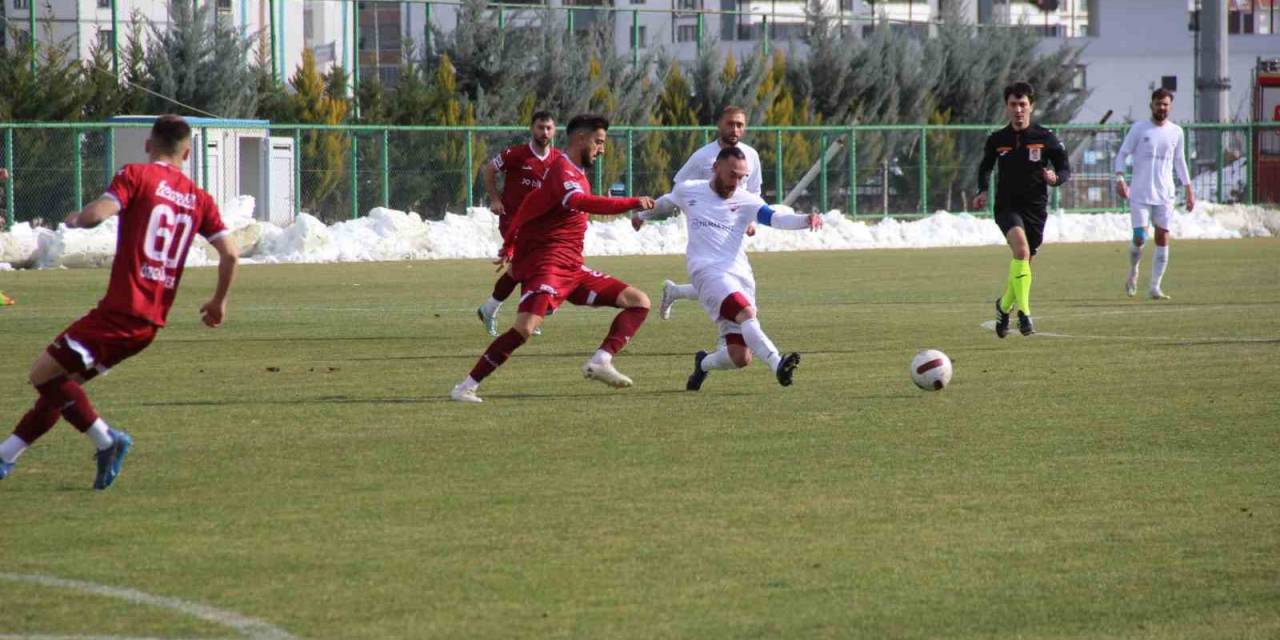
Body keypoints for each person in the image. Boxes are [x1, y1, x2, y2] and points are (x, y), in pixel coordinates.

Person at [0, 115, 239, 489]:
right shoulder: (199, 199)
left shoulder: (137, 176)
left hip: (120, 312)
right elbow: (230, 254)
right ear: (188, 152)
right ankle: (5, 456)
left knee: (41, 375)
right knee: (61, 389)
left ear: (149, 145)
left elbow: (98, 215)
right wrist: (218, 302)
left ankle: (107, 441)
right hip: (149, 324)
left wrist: (79, 217)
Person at [450, 114, 656, 403]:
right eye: (598, 142)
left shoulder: (573, 171)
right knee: (524, 328)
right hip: (549, 267)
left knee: (639, 302)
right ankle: (465, 386)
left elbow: (530, 205)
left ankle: (600, 361)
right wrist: (631, 202)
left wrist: (511, 242)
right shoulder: (563, 171)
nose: (602, 149)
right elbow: (580, 202)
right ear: (580, 139)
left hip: (573, 269)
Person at [635, 147, 819, 391]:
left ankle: (703, 364)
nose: (737, 182)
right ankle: (777, 363)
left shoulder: (746, 199)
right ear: (716, 168)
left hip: (739, 274)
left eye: (742, 176)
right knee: (745, 313)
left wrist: (805, 220)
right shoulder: (690, 190)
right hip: (706, 271)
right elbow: (665, 203)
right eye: (733, 174)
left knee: (739, 357)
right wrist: (641, 215)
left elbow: (775, 218)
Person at [972, 82, 1071, 338]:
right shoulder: (997, 139)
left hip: (1035, 210)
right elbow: (985, 167)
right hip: (1007, 207)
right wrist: (982, 190)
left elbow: (1064, 168)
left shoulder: (1046, 137)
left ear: (1031, 106)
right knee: (1021, 251)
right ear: (1007, 107)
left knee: (1024, 262)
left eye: (1023, 104)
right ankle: (1024, 314)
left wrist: (1055, 178)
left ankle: (1004, 306)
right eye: (1013, 105)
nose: (1018, 110)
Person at [653, 106, 763, 320]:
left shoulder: (751, 155)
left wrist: (752, 220)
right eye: (730, 124)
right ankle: (732, 334)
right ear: (719, 125)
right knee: (725, 277)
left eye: (739, 125)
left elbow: (755, 191)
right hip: (708, 226)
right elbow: (679, 186)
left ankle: (675, 292)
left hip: (735, 225)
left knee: (724, 277)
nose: (735, 129)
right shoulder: (702, 156)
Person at [476, 111, 560, 335]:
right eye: (540, 127)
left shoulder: (558, 160)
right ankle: (534, 311)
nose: (544, 132)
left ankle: (492, 309)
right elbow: (489, 170)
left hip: (541, 227)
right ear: (532, 129)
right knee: (531, 265)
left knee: (525, 268)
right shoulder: (516, 154)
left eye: (549, 128)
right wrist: (494, 198)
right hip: (513, 221)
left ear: (554, 131)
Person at [1114, 88, 1193, 300]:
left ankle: (1155, 287)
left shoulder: (1177, 132)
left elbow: (1179, 160)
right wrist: (1120, 178)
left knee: (1162, 236)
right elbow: (1122, 153)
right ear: (1152, 105)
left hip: (1165, 193)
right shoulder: (1140, 129)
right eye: (1158, 103)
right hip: (1139, 192)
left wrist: (1188, 188)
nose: (1162, 107)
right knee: (1140, 237)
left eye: (1166, 104)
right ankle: (1133, 271)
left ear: (1170, 106)